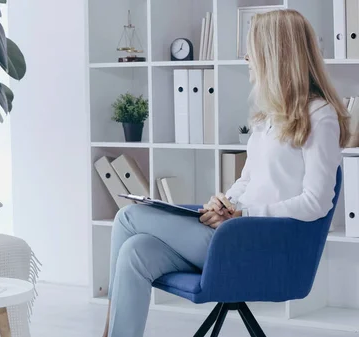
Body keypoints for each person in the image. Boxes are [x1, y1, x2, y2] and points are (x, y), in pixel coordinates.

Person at [101, 9, 351, 337]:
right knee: (137, 252)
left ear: (274, 54)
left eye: (252, 49)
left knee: (128, 218)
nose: (247, 57)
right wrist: (226, 202)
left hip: (259, 244)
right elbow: (249, 180)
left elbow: (316, 203)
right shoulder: (268, 117)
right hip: (233, 231)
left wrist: (245, 213)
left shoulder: (320, 116)